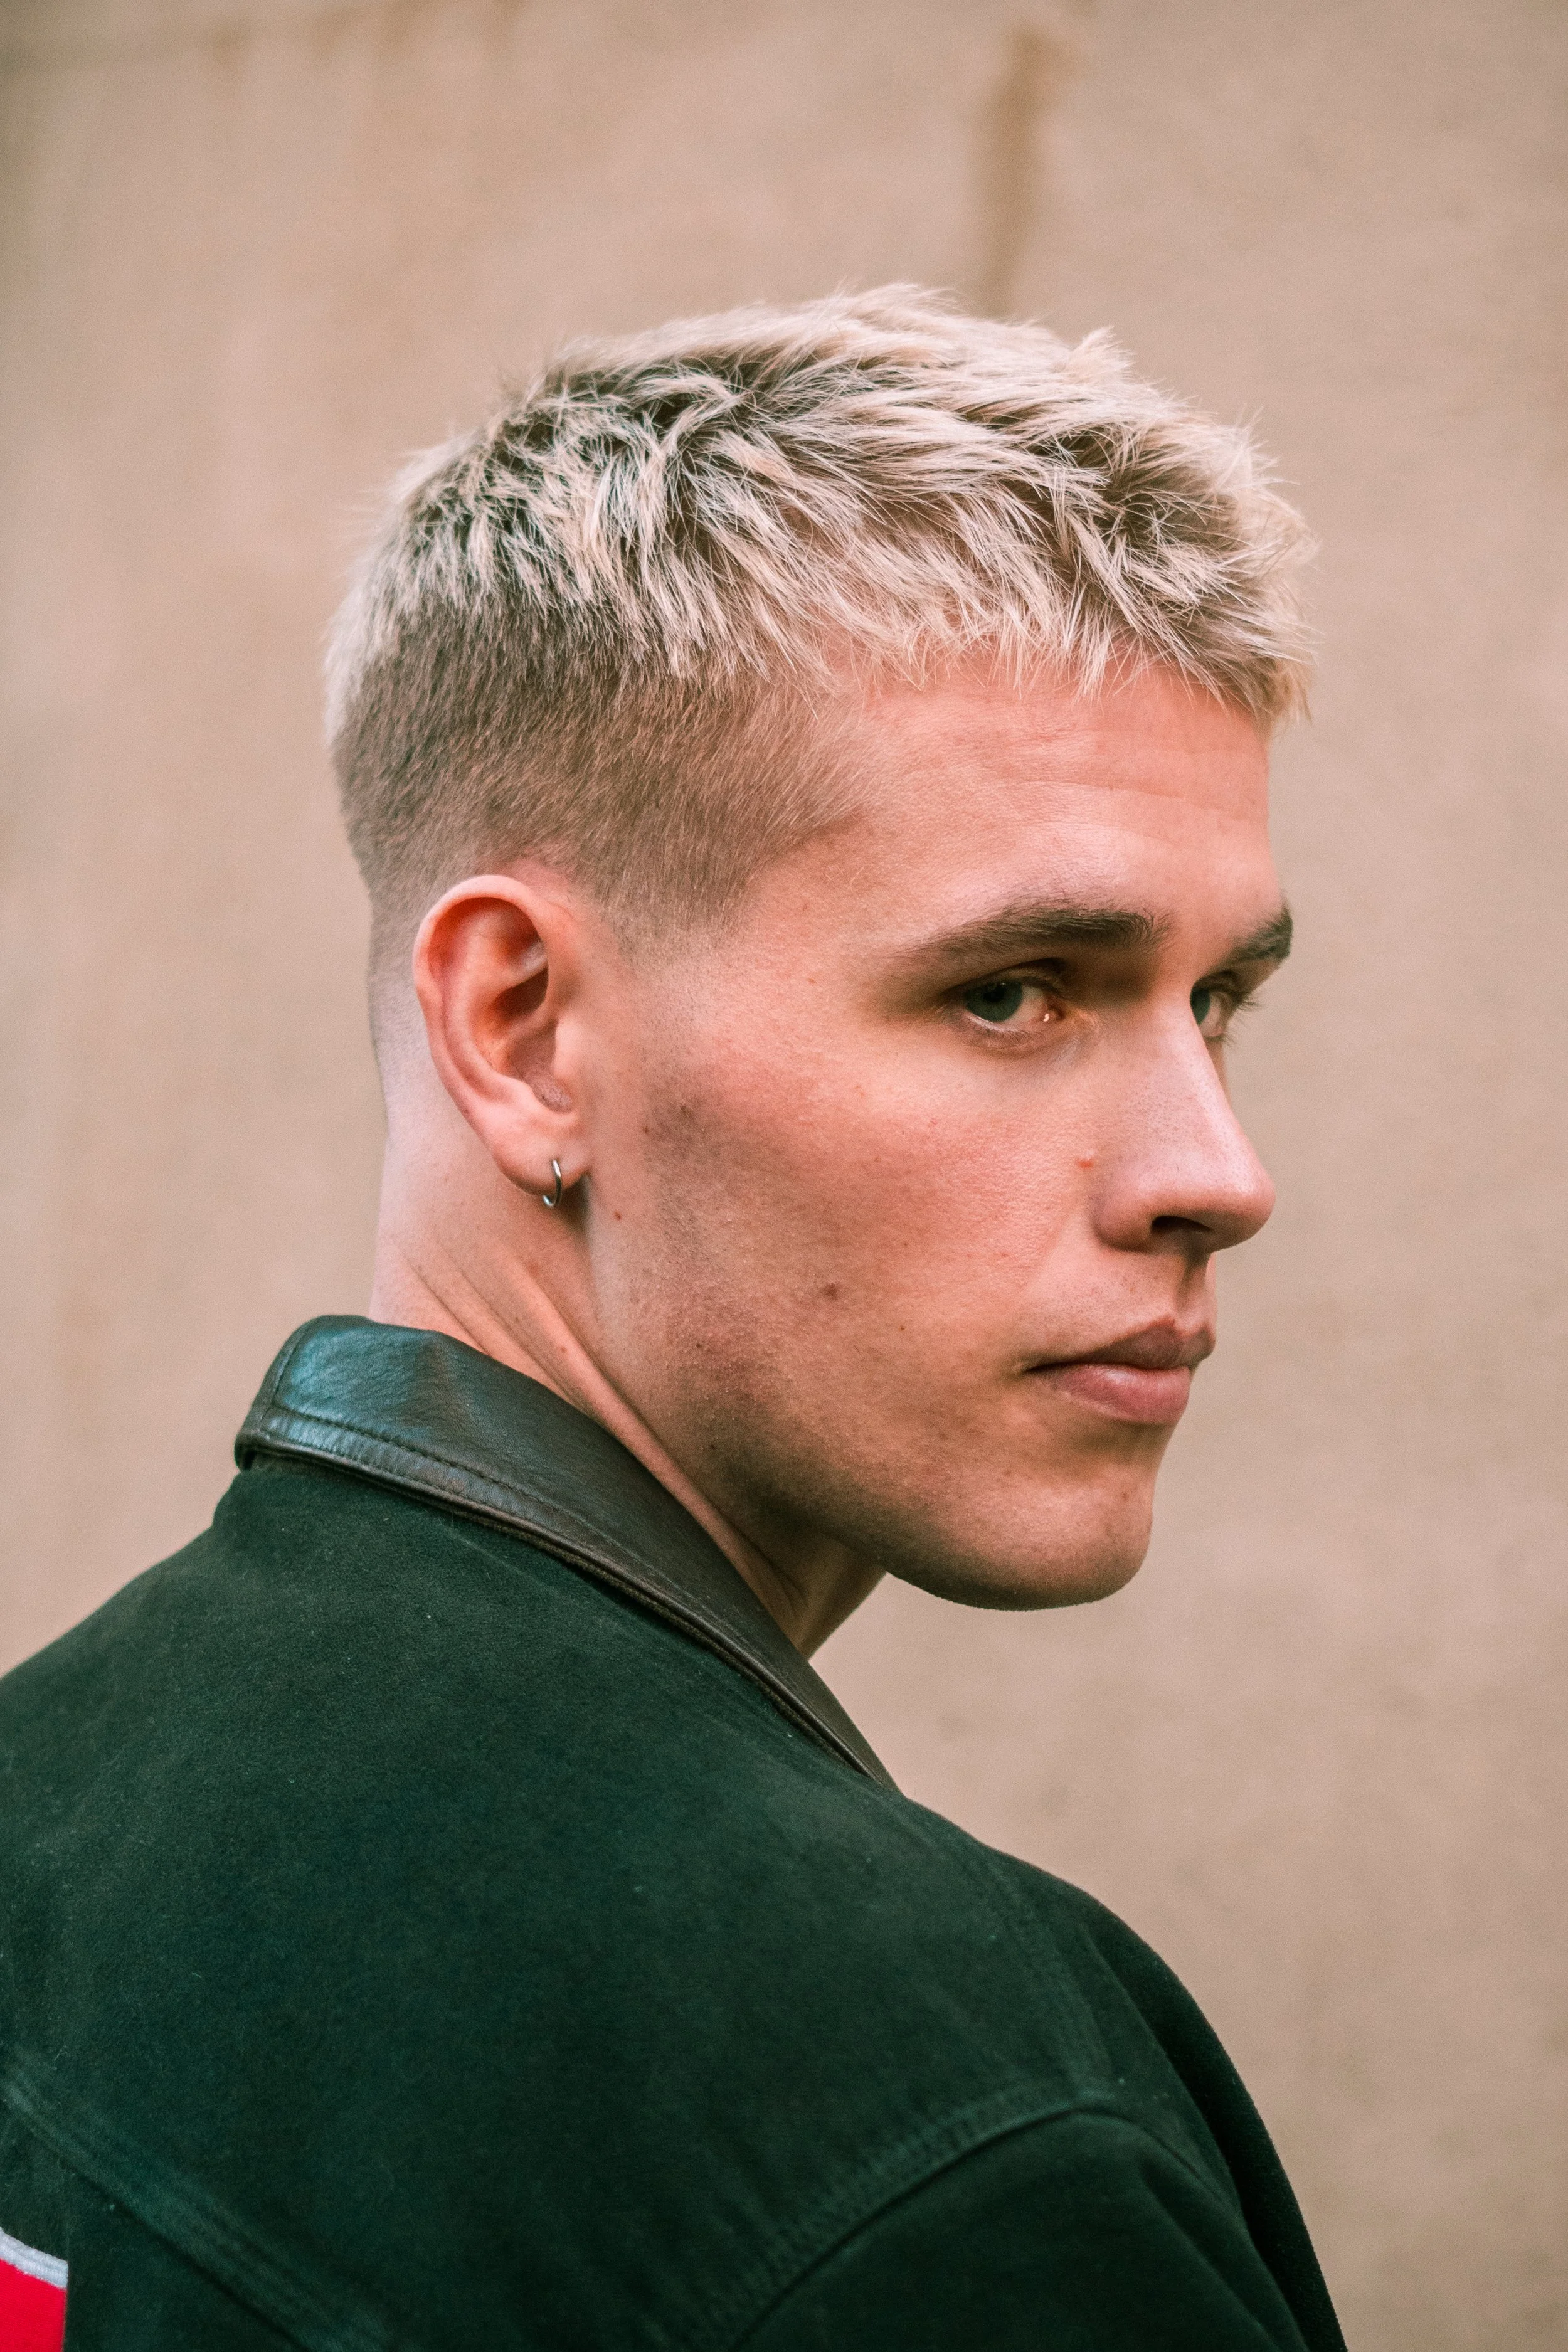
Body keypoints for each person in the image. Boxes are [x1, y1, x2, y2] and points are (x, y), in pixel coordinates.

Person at [0, 289, 1345, 2350]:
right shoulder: (926, 2123)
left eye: (1214, 996)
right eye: (1012, 988)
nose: (1213, 1167)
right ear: (527, 1030)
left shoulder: (48, 1787)